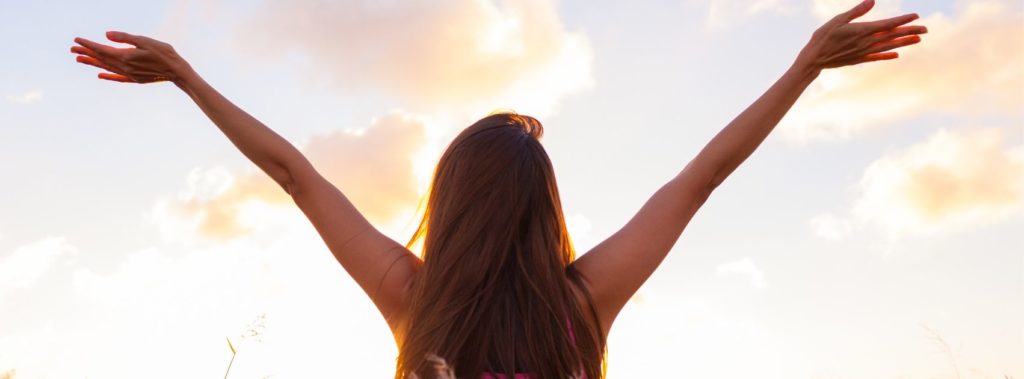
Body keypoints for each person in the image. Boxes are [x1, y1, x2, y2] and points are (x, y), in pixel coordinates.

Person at [70, 0, 926, 377]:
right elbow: (700, 178)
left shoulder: (416, 299)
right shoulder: (582, 307)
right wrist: (803, 67)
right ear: (542, 206)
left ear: (448, 204)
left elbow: (298, 174)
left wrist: (187, 76)